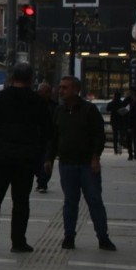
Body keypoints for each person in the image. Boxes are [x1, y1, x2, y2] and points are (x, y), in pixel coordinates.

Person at [0, 64, 52, 253]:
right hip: (26, 158)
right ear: (31, 79)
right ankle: (18, 242)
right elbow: (48, 131)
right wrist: (47, 157)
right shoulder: (38, 101)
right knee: (21, 201)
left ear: (11, 78)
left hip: (1, 155)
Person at [44, 75, 116, 251]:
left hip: (86, 165)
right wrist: (49, 158)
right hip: (67, 164)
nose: (61, 90)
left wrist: (95, 157)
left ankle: (103, 237)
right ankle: (69, 236)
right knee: (70, 202)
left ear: (75, 90)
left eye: (65, 88)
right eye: (60, 87)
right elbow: (54, 137)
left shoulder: (89, 110)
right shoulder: (59, 112)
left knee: (94, 200)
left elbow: (99, 135)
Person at [34, 82, 57, 192]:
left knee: (48, 159)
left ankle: (43, 182)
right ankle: (41, 180)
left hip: (48, 138)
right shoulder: (32, 103)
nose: (49, 94)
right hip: (35, 138)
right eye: (46, 92)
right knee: (36, 161)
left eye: (49, 92)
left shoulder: (53, 106)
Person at [124, 89, 136, 162]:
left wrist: (128, 126)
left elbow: (129, 115)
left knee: (131, 140)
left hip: (132, 124)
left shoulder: (131, 104)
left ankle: (131, 154)